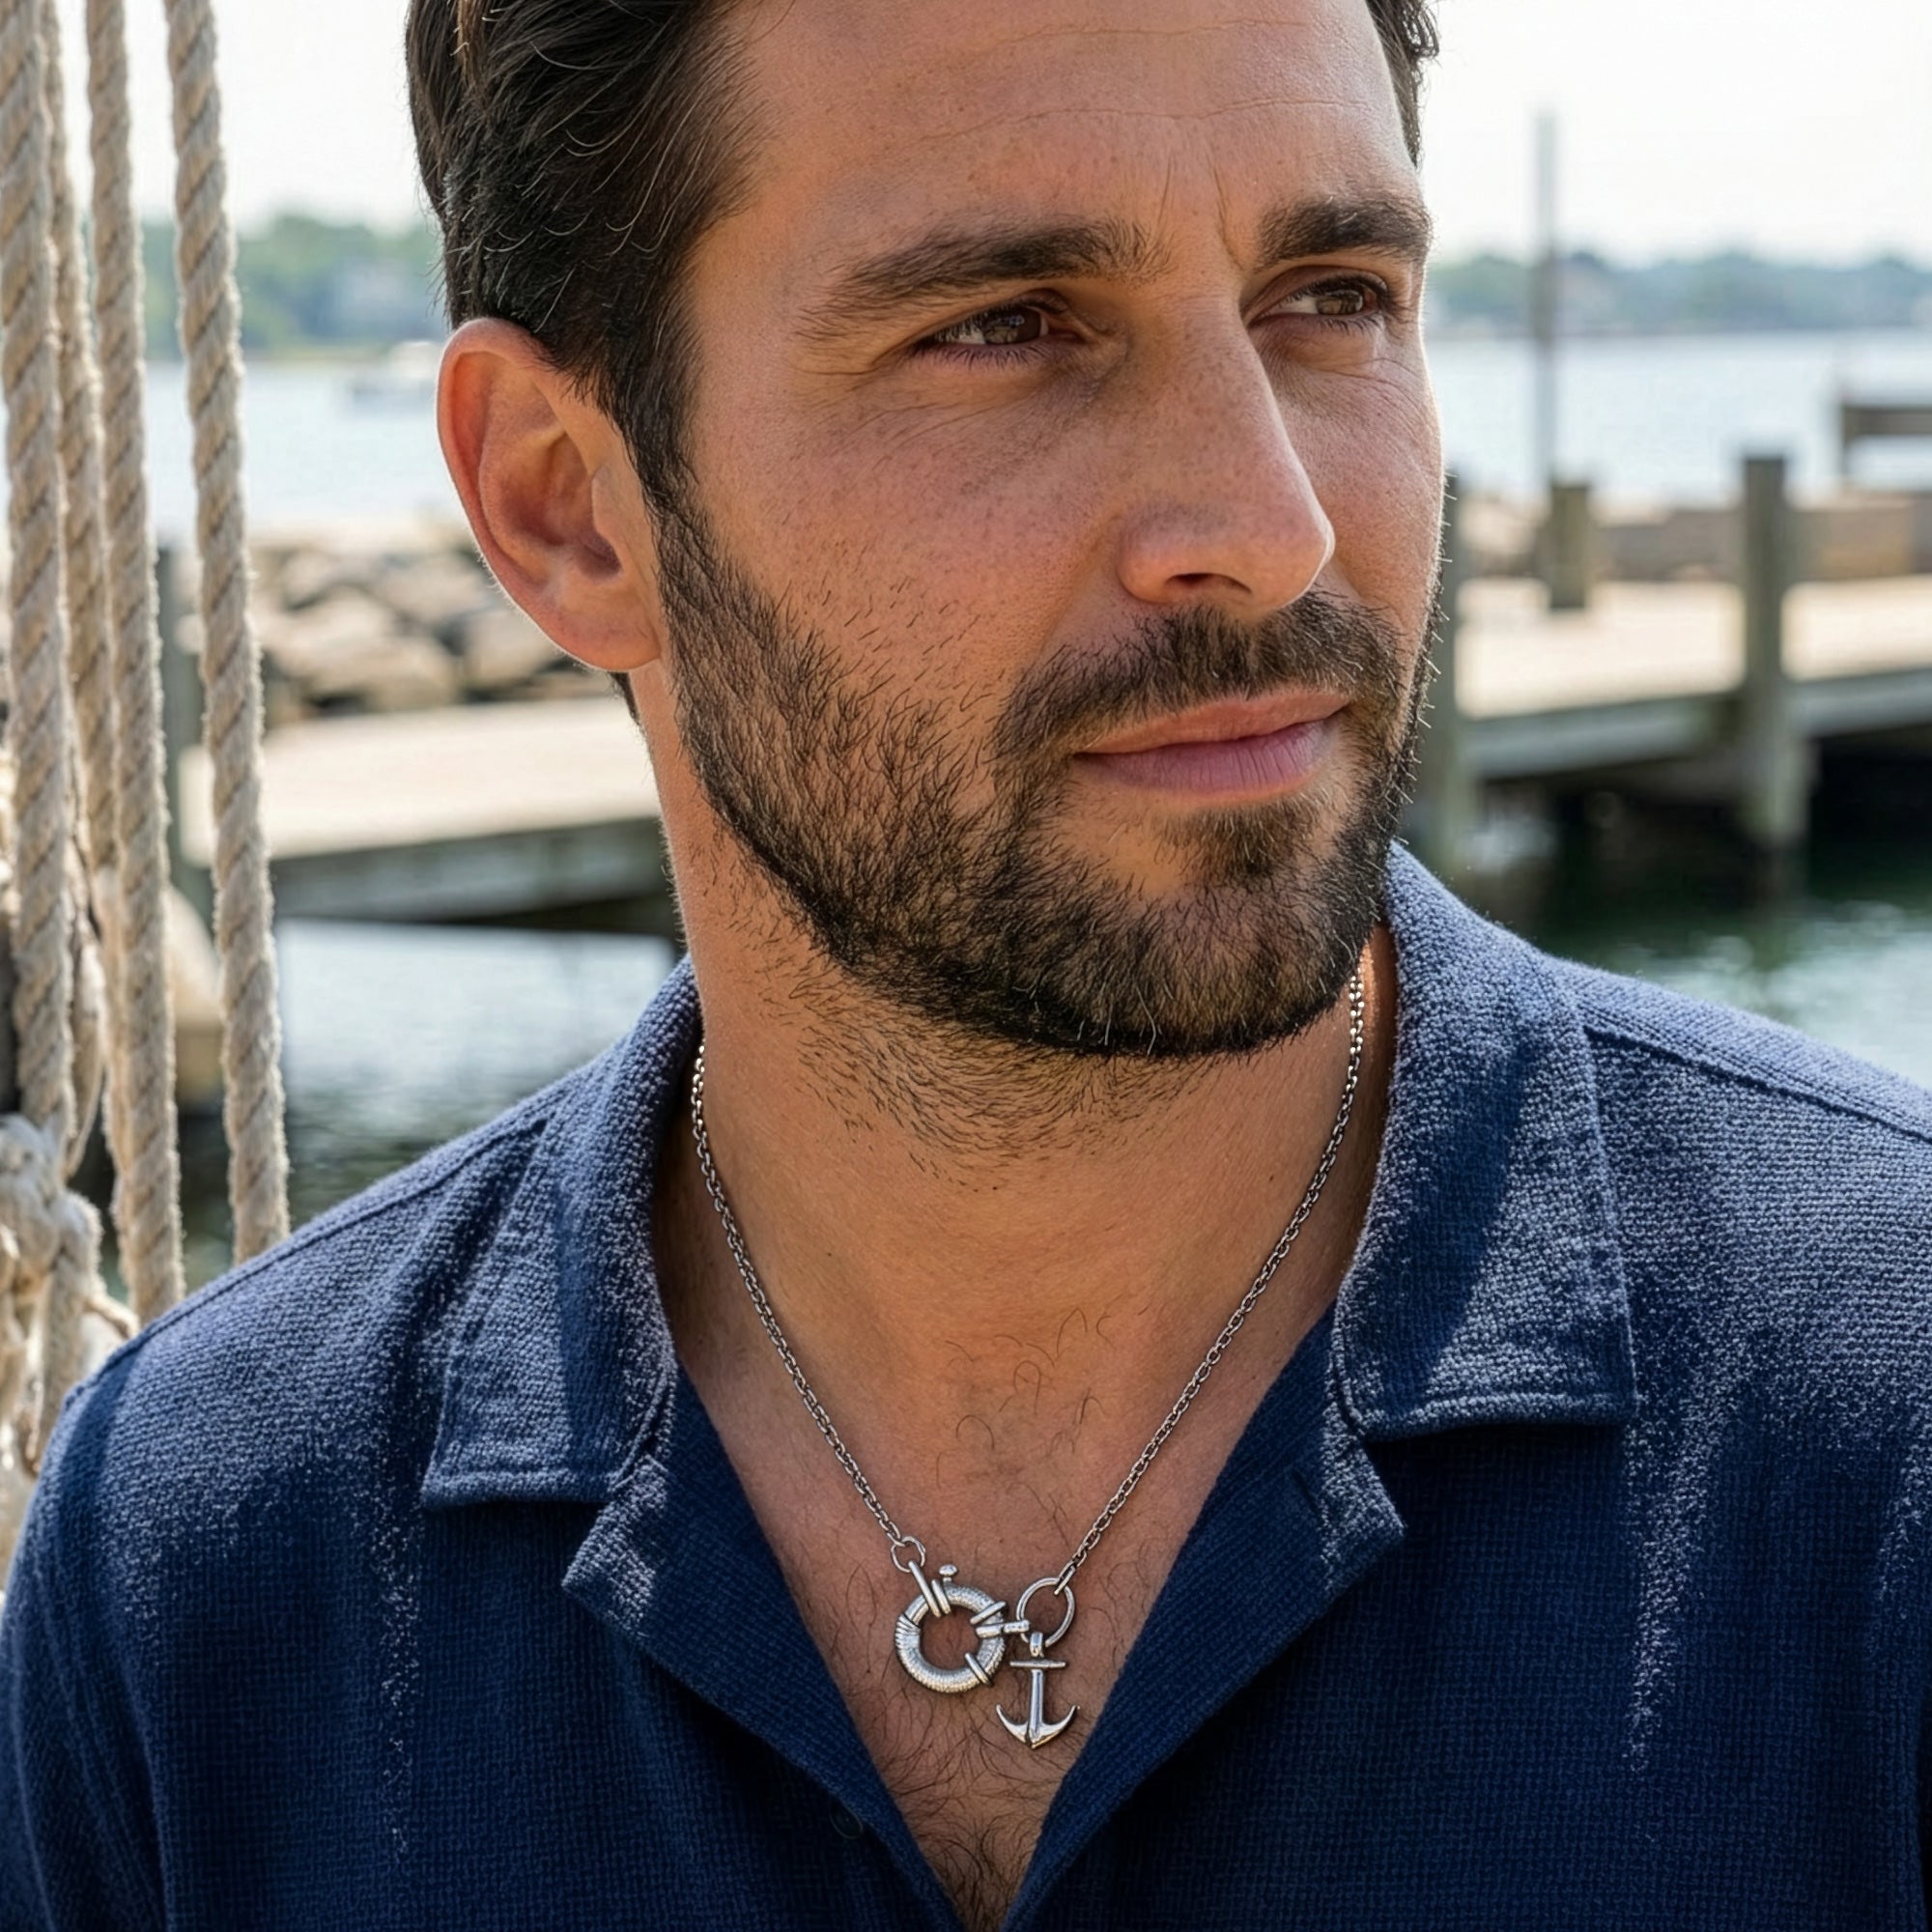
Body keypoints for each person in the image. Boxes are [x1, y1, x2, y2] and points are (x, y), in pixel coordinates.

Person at [5, 0, 1932, 1925]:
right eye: (1006, 327)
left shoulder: (1886, 1423)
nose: (1269, 527)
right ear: (563, 502)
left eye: (1333, 299)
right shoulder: (200, 1568)